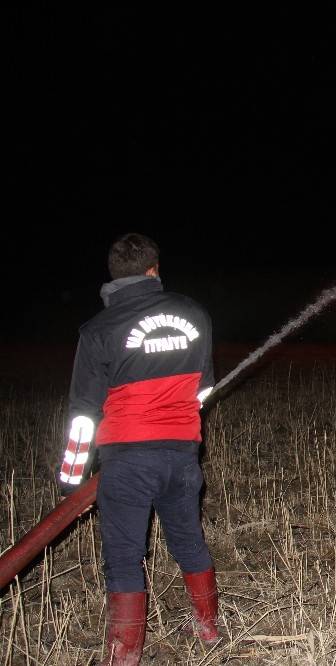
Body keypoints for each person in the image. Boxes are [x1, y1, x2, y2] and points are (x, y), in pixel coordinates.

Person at [57, 233, 218, 665]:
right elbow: (203, 388)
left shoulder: (98, 330)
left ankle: (124, 656)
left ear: (113, 278)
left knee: (124, 558)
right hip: (183, 455)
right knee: (188, 540)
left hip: (126, 461)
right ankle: (208, 628)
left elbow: (84, 413)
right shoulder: (193, 314)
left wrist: (71, 477)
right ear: (154, 270)